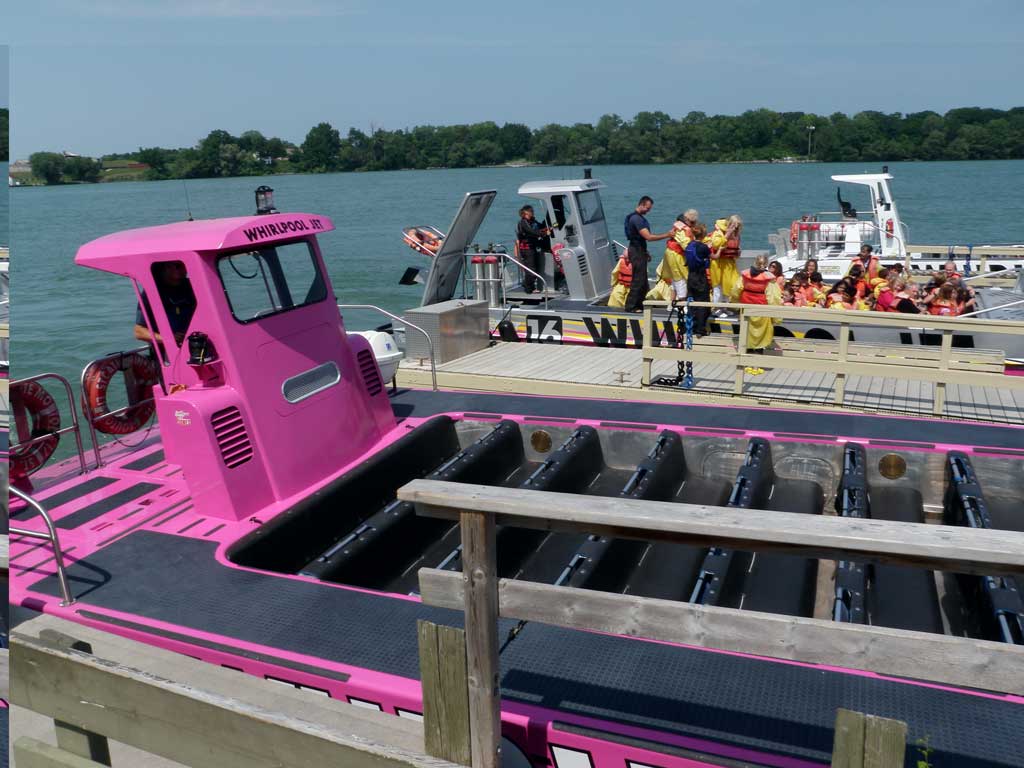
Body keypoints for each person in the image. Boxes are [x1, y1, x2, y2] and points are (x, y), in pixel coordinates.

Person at [623, 196, 674, 312]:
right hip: (636, 251)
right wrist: (667, 235)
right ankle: (631, 306)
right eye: (647, 208)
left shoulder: (637, 218)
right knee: (638, 279)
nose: (648, 211)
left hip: (639, 249)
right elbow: (648, 237)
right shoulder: (636, 219)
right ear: (641, 204)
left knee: (643, 279)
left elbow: (640, 239)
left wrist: (645, 252)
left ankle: (640, 304)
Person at [134, 261, 197, 347]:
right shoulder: (152, 292)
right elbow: (139, 332)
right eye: (178, 266)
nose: (184, 269)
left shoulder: (193, 286)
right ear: (166, 268)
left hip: (196, 342)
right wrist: (169, 338)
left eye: (185, 264)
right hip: (168, 351)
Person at [739, 254, 780, 373]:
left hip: (746, 308)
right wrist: (776, 317)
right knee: (761, 338)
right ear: (766, 264)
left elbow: (736, 289)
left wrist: (736, 304)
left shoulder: (745, 275)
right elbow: (774, 298)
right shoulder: (770, 279)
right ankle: (757, 365)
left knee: (748, 335)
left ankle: (747, 364)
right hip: (762, 309)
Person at [646, 217, 693, 303]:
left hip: (673, 256)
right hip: (677, 257)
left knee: (675, 281)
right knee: (680, 279)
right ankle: (681, 303)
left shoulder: (678, 230)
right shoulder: (681, 231)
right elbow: (686, 245)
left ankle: (672, 304)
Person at [683, 223, 714, 336]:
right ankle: (700, 329)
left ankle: (691, 327)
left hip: (690, 277)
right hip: (700, 277)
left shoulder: (689, 245)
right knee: (703, 303)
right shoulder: (703, 247)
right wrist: (717, 249)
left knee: (691, 303)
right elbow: (713, 257)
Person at [516, 205, 552, 294]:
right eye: (530, 212)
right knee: (531, 269)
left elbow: (540, 227)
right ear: (524, 213)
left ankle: (526, 283)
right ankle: (529, 289)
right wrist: (543, 234)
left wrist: (547, 226)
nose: (532, 213)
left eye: (532, 211)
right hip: (526, 249)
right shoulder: (523, 223)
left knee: (535, 267)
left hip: (533, 248)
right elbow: (531, 232)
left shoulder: (533, 221)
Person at [709, 215, 743, 311]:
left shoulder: (737, 236)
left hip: (730, 264)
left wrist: (737, 253)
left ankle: (724, 308)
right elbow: (716, 245)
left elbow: (735, 251)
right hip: (718, 264)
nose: (735, 228)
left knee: (730, 286)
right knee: (718, 288)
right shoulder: (719, 233)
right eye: (734, 226)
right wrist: (727, 235)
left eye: (738, 226)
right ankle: (716, 309)